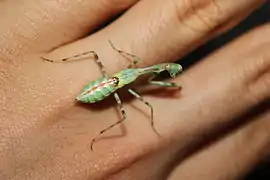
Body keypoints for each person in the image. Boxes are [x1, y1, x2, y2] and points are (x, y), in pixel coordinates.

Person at [0, 1, 269, 179]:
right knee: (136, 109)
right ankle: (58, 65)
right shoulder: (141, 71)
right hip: (105, 87)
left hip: (109, 84)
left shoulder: (139, 68)